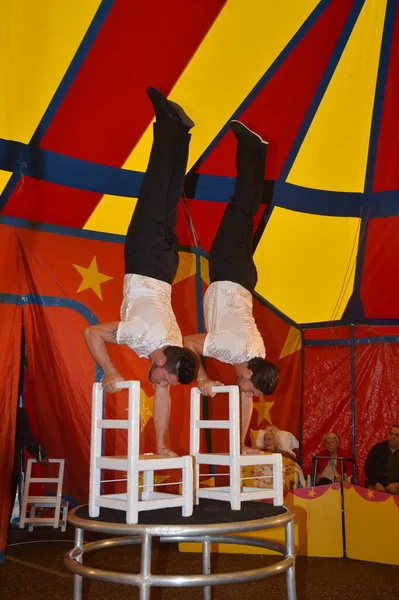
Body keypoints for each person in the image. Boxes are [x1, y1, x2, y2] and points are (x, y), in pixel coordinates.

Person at [84, 88, 197, 456]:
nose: (160, 384)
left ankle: (180, 132)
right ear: (163, 360)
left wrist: (162, 444)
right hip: (147, 260)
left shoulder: (173, 347)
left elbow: (164, 398)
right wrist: (111, 371)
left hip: (164, 265)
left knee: (166, 195)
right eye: (164, 378)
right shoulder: (141, 337)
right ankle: (168, 126)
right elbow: (91, 333)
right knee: (154, 190)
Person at [184, 121, 279, 452]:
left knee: (248, 213)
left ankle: (259, 151)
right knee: (239, 206)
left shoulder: (257, 356)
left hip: (243, 279)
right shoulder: (230, 349)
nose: (248, 394)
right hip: (229, 272)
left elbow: (246, 402)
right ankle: (247, 145)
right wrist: (202, 378)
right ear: (251, 376)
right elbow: (188, 342)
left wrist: (238, 444)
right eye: (251, 389)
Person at [9, 407, 48, 523]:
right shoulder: (16, 412)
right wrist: (41, 455)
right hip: (9, 463)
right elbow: (27, 437)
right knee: (7, 494)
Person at [251, 426, 305, 492]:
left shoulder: (284, 454)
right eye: (265, 439)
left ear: (276, 441)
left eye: (270, 439)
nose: (267, 441)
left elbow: (291, 464)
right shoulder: (258, 452)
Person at [365, 425, 399, 494]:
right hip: (375, 489)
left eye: (397, 435)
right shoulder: (377, 449)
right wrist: (376, 483)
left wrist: (396, 485)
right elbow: (368, 468)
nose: (392, 437)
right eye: (391, 433)